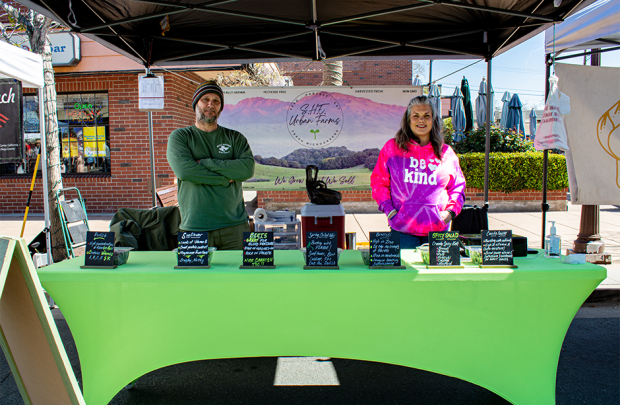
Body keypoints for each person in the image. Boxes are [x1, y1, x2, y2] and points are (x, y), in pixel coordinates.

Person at [166, 80, 255, 250]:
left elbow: (247, 169)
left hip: (234, 226)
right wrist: (223, 179)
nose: (210, 105)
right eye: (205, 99)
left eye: (216, 101)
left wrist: (206, 162)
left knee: (237, 276)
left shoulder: (235, 138)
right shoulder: (180, 137)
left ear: (220, 107)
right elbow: (185, 172)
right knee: (195, 277)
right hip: (195, 226)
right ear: (195, 104)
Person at [371, 96, 466, 249]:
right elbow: (379, 182)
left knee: (438, 274)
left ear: (433, 120)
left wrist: (450, 213)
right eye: (416, 116)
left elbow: (458, 187)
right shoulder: (392, 148)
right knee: (406, 273)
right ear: (408, 120)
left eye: (426, 116)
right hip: (403, 231)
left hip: (438, 231)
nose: (421, 120)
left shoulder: (446, 153)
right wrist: (390, 211)